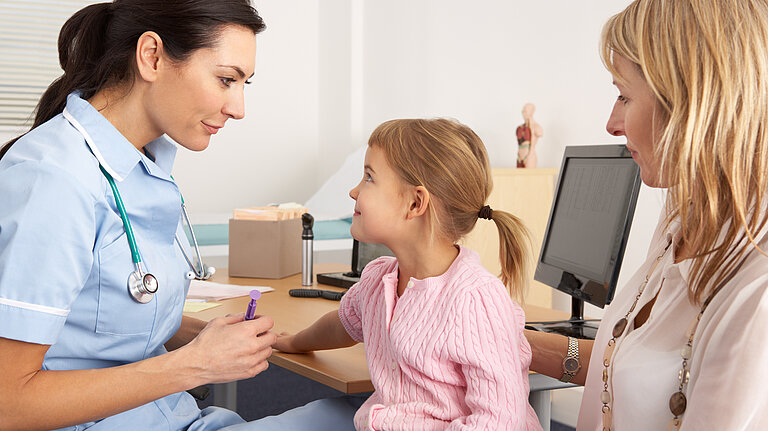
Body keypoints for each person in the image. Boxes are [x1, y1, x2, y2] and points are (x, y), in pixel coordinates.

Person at [0, 1, 279, 430]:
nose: (237, 108)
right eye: (226, 80)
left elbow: (105, 319)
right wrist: (196, 365)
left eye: (243, 85)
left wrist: (218, 338)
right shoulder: (55, 180)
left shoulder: (140, 165)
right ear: (151, 56)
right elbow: (8, 403)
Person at [524, 0, 768, 430]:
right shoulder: (684, 213)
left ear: (692, 102)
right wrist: (511, 342)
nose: (612, 123)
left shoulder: (756, 290)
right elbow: (629, 371)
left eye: (623, 95)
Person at [271, 118, 543, 430]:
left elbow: (498, 422)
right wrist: (294, 342)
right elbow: (343, 324)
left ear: (415, 203)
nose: (353, 190)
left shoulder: (475, 299)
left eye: (369, 178)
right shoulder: (378, 279)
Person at [515, 103, 543, 168]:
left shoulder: (536, 127)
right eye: (523, 111)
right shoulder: (520, 127)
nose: (523, 113)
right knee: (519, 177)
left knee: (530, 177)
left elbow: (540, 132)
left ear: (531, 112)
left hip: (530, 156)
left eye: (525, 111)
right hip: (520, 156)